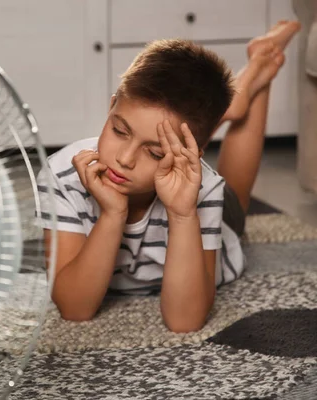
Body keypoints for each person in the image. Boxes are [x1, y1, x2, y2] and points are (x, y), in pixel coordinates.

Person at [36, 21, 301, 333]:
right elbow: (74, 308)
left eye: (155, 153)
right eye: (119, 131)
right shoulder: (62, 174)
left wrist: (183, 213)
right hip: (182, 153)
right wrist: (112, 214)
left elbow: (184, 321)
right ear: (110, 108)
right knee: (173, 132)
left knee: (236, 203)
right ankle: (234, 101)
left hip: (193, 193)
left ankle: (258, 74)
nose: (124, 160)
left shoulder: (201, 188)